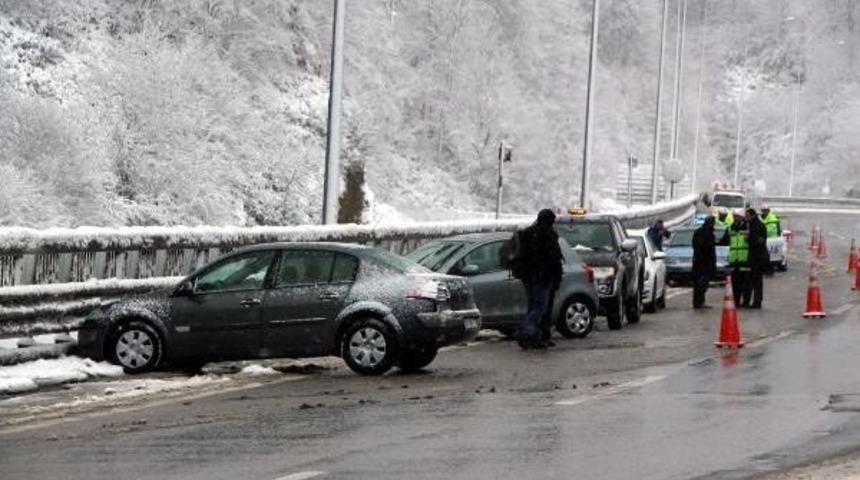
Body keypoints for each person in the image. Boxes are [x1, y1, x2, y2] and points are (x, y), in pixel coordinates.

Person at [513, 209, 563, 349]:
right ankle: (525, 331)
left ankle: (534, 336)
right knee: (540, 308)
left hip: (527, 276)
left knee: (532, 306)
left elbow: (523, 257)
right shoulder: (548, 235)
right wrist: (556, 277)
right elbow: (554, 259)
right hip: (542, 277)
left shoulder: (528, 234)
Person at [692, 216, 718, 309]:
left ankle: (697, 301)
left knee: (698, 283)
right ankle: (699, 301)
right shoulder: (708, 233)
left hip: (698, 261)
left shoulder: (699, 231)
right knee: (703, 283)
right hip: (705, 261)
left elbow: (695, 246)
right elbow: (708, 248)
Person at [746, 208, 770, 308]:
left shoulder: (757, 226)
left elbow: (759, 241)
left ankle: (757, 301)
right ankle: (754, 301)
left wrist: (748, 239)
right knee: (754, 281)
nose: (746, 218)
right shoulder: (753, 225)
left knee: (757, 281)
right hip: (755, 257)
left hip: (758, 258)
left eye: (748, 216)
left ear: (752, 215)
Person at [728, 210, 751, 308]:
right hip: (734, 260)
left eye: (737, 216)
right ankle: (736, 301)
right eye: (734, 216)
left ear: (741, 217)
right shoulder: (731, 227)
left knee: (746, 284)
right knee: (735, 284)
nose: (735, 218)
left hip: (745, 260)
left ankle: (746, 302)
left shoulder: (748, 227)